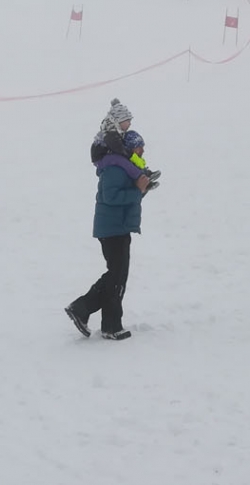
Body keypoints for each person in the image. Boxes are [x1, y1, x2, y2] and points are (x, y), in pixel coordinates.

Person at [65, 99, 152, 341]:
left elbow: (125, 195)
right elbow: (111, 197)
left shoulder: (123, 167)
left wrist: (142, 187)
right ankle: (85, 310)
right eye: (138, 149)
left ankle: (107, 323)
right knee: (116, 276)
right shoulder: (115, 167)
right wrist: (138, 190)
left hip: (118, 226)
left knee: (117, 275)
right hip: (113, 228)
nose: (142, 152)